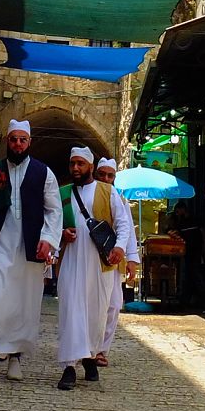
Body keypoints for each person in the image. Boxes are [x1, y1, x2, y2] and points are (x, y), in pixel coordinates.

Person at [0, 119, 61, 383]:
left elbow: (54, 210)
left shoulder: (43, 173)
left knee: (23, 303)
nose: (18, 144)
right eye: (14, 139)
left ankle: (15, 356)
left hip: (29, 248)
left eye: (22, 140)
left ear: (29, 142)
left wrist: (48, 239)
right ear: (8, 141)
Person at [55, 147, 134, 391]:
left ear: (90, 166)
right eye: (72, 164)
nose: (76, 168)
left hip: (100, 264)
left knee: (96, 313)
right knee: (70, 311)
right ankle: (69, 367)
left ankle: (90, 357)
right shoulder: (63, 193)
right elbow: (51, 223)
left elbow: (123, 224)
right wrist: (61, 234)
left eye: (80, 164)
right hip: (71, 261)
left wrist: (120, 248)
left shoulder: (107, 192)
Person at [93, 157, 139, 367]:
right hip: (91, 258)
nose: (105, 179)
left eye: (110, 176)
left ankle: (102, 349)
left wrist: (132, 259)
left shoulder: (121, 201)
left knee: (113, 305)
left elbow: (127, 230)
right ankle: (88, 346)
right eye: (102, 174)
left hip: (113, 259)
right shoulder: (88, 196)